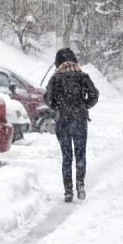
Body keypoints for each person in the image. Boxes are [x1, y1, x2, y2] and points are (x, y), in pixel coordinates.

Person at [44, 48, 99, 202]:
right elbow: (94, 95)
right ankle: (80, 185)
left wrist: (58, 107)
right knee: (80, 154)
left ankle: (68, 191)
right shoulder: (82, 76)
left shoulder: (55, 78)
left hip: (62, 121)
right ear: (74, 60)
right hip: (80, 120)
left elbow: (47, 99)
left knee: (67, 156)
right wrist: (84, 106)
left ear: (58, 62)